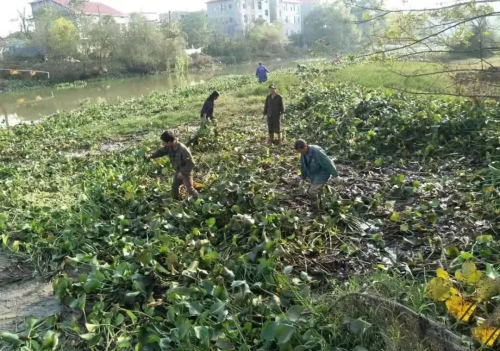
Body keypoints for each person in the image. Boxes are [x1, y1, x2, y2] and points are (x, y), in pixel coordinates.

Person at [147, 131, 199, 200]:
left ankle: (199, 200)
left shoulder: (183, 149)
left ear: (169, 142)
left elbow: (191, 163)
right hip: (178, 170)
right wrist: (150, 156)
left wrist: (183, 172)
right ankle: (176, 200)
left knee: (190, 190)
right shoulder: (169, 147)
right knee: (174, 187)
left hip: (186, 172)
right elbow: (161, 151)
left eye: (165, 142)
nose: (164, 144)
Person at [294, 139, 341, 207]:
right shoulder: (303, 154)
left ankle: (316, 206)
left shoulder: (316, 151)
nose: (300, 153)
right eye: (299, 151)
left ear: (305, 147)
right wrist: (303, 178)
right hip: (314, 173)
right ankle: (322, 204)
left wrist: (336, 175)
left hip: (322, 172)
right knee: (319, 191)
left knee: (312, 191)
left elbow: (327, 162)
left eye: (300, 151)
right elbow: (303, 166)